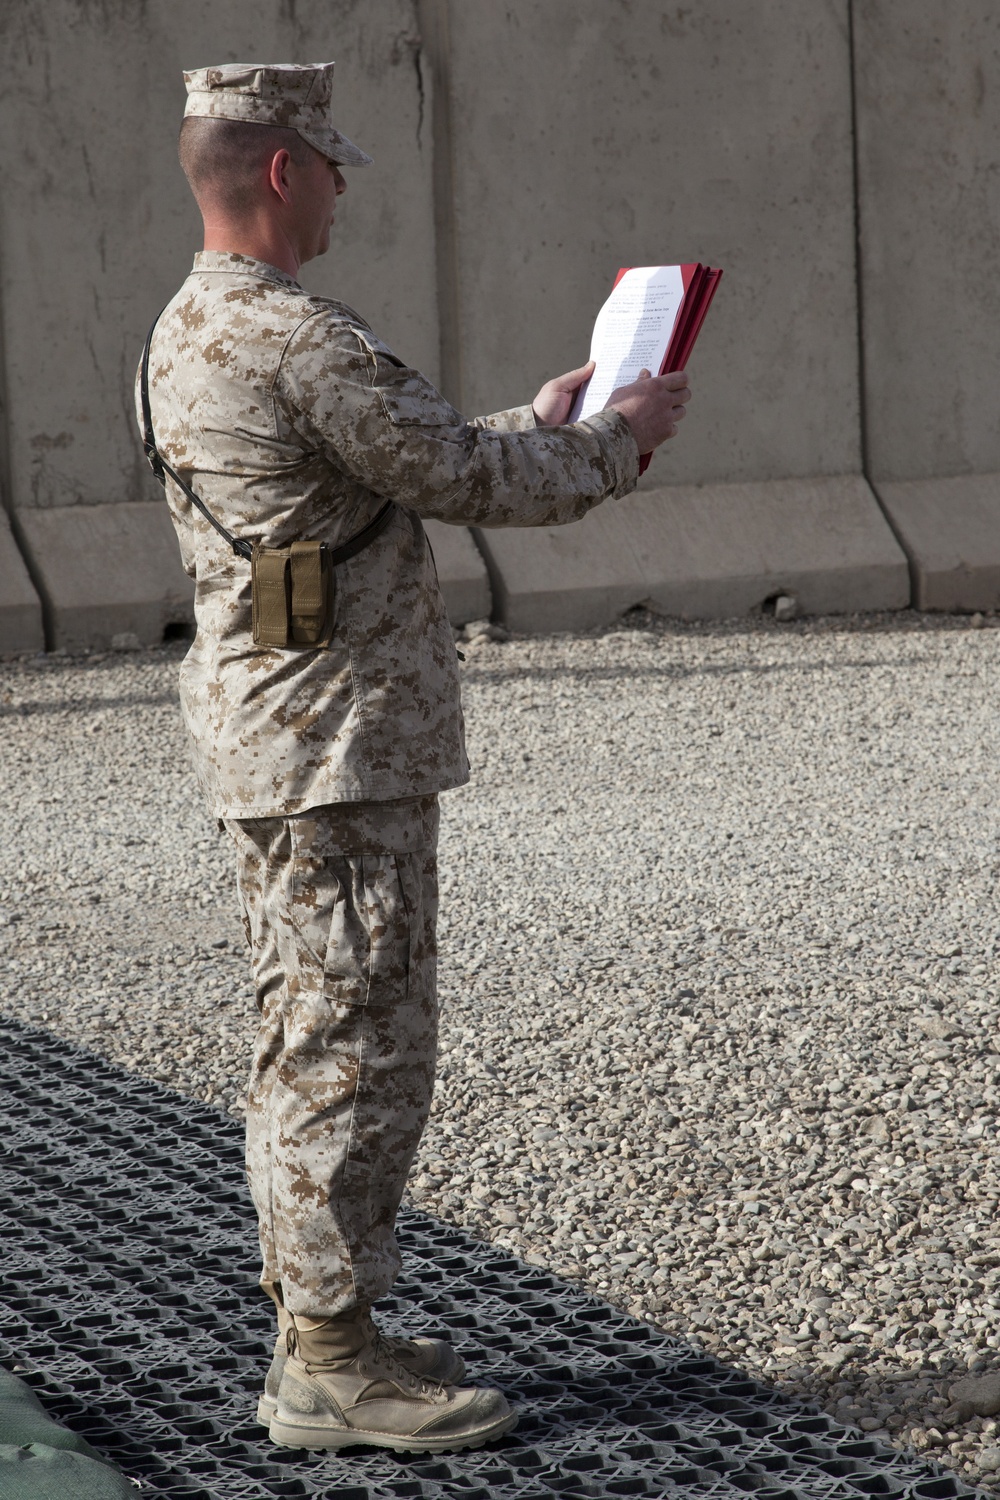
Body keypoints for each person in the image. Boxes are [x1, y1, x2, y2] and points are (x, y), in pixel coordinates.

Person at [136, 59, 692, 1456]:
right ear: (282, 171)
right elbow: (466, 482)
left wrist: (540, 415)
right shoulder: (299, 334)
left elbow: (386, 470)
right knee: (354, 1050)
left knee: (303, 1036)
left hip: (275, 735)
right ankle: (329, 1369)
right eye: (328, 165)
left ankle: (332, 1331)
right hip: (337, 749)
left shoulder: (191, 328)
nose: (337, 191)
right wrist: (616, 440)